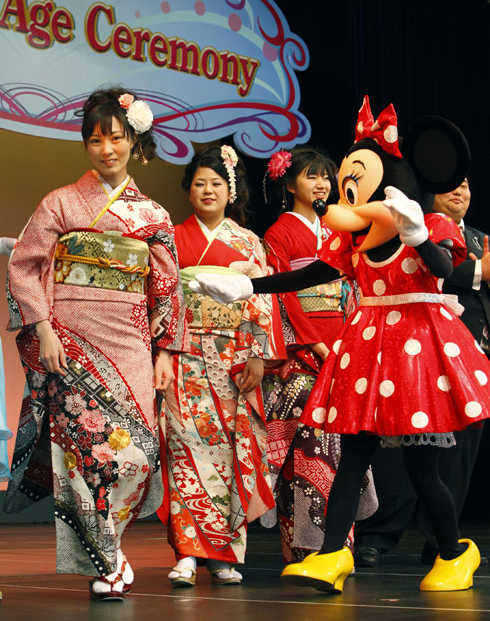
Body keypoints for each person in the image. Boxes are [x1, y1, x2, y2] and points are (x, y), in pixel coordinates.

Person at [189, 97, 490, 594]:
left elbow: (443, 270)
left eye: (357, 185)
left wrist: (416, 235)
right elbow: (312, 274)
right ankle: (332, 555)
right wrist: (247, 287)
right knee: (352, 458)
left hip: (417, 350)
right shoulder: (353, 243)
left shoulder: (429, 226)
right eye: (346, 187)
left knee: (423, 471)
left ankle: (457, 552)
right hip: (371, 351)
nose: (344, 195)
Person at [4, 88, 188, 601]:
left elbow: (167, 286)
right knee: (79, 455)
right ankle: (107, 562)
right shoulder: (61, 202)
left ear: (133, 140)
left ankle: (109, 545)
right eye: (95, 140)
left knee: (137, 454)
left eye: (115, 137)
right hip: (70, 337)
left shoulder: (152, 214)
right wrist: (43, 329)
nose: (106, 148)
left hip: (130, 338)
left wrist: (168, 351)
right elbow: (24, 264)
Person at [158, 145, 284, 587]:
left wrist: (258, 355)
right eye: (199, 184)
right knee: (184, 452)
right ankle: (188, 553)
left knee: (233, 453)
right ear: (188, 192)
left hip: (235, 360)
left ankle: (225, 553)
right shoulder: (171, 237)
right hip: (186, 355)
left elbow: (263, 300)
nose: (207, 190)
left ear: (231, 191)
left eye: (216, 183)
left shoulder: (249, 242)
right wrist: (164, 352)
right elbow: (164, 300)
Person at [354, 176, 490, 567]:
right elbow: (441, 269)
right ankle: (378, 534)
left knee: (457, 453)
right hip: (415, 349)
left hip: (469, 358)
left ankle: (441, 539)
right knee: (398, 444)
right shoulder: (407, 225)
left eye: (466, 185)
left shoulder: (480, 238)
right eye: (451, 184)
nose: (459, 191)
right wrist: (482, 270)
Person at [260, 147, 376, 563]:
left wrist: (354, 342)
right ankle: (303, 549)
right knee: (304, 452)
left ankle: (340, 546)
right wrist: (315, 344)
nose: (323, 184)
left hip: (345, 347)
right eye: (312, 176)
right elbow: (284, 293)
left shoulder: (341, 231)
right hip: (304, 356)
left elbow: (357, 287)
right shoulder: (279, 233)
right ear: (289, 184)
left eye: (327, 176)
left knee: (343, 451)